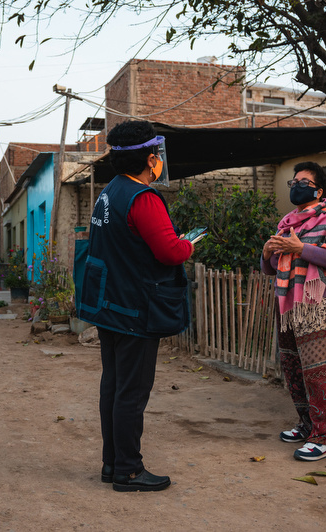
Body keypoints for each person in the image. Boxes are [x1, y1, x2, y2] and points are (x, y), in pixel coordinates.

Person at [79, 120, 194, 492]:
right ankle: (128, 470)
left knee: (113, 387)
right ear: (150, 158)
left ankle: (112, 464)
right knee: (131, 391)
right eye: (156, 156)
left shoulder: (110, 192)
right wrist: (191, 244)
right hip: (135, 310)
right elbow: (170, 251)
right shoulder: (143, 198)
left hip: (111, 307)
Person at [261, 161, 326, 461]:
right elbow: (274, 267)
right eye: (294, 181)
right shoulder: (287, 223)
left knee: (318, 372)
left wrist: (300, 249)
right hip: (290, 302)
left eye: (304, 181)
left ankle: (325, 438)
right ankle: (307, 425)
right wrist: (266, 255)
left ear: (318, 189)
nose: (297, 185)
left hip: (322, 302)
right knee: (293, 368)